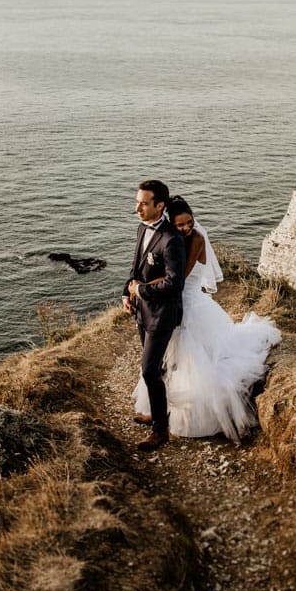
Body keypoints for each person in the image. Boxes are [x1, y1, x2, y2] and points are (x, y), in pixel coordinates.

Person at [133, 196, 280, 441]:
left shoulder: (196, 240)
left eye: (189, 222)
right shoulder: (172, 241)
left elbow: (179, 278)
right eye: (180, 225)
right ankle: (160, 414)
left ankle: (188, 418)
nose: (186, 228)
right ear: (171, 223)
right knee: (167, 364)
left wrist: (142, 286)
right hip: (170, 306)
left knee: (194, 365)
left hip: (191, 307)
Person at [121, 179, 186, 451]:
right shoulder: (141, 228)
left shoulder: (171, 239)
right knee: (155, 369)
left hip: (162, 314)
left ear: (160, 206)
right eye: (137, 202)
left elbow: (175, 283)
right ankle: (157, 414)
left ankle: (161, 431)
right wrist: (127, 292)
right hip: (142, 311)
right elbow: (136, 267)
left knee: (148, 370)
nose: (137, 208)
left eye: (144, 203)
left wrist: (142, 290)